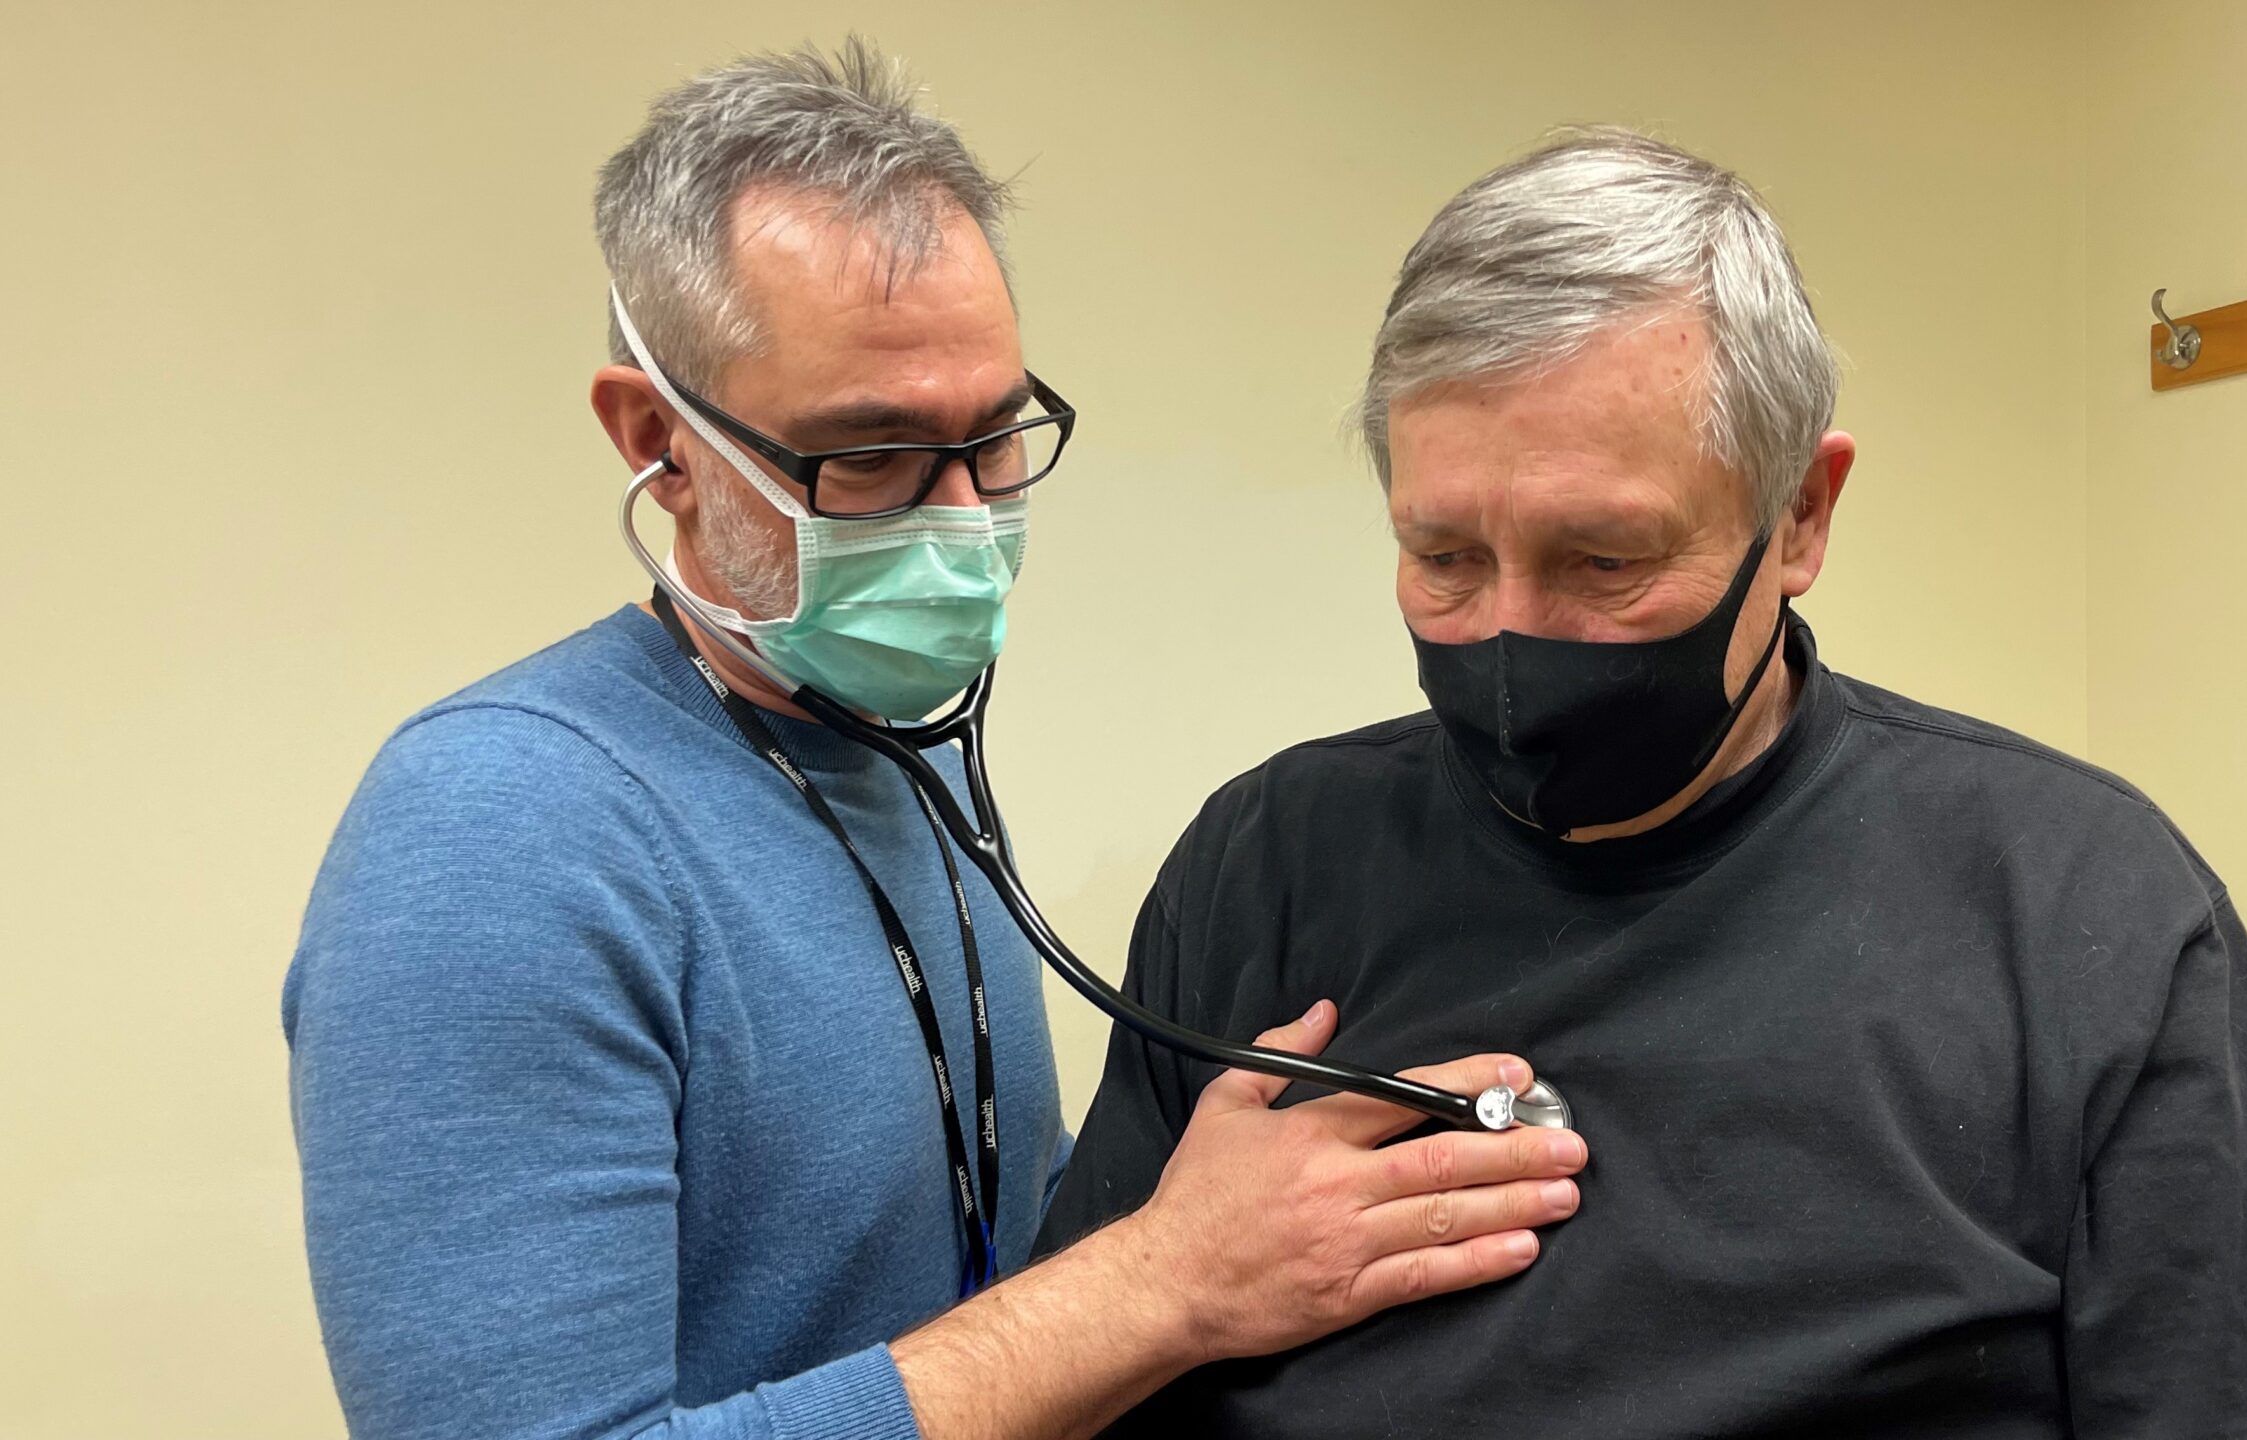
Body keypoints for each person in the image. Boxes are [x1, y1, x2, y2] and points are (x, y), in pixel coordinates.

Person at [1037, 130, 2247, 1439]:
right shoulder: (1265, 865)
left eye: (1605, 562)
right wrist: (1167, 1282)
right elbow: (1084, 1372)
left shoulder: (2084, 911)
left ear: (1802, 517)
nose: (1512, 640)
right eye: (1445, 557)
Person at [282, 40, 1587, 1440]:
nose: (963, 521)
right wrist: (1162, 1279)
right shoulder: (497, 834)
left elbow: (984, 1253)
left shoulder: (906, 748)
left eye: (997, 437)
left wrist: (1232, 1209)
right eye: (872, 459)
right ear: (656, 440)